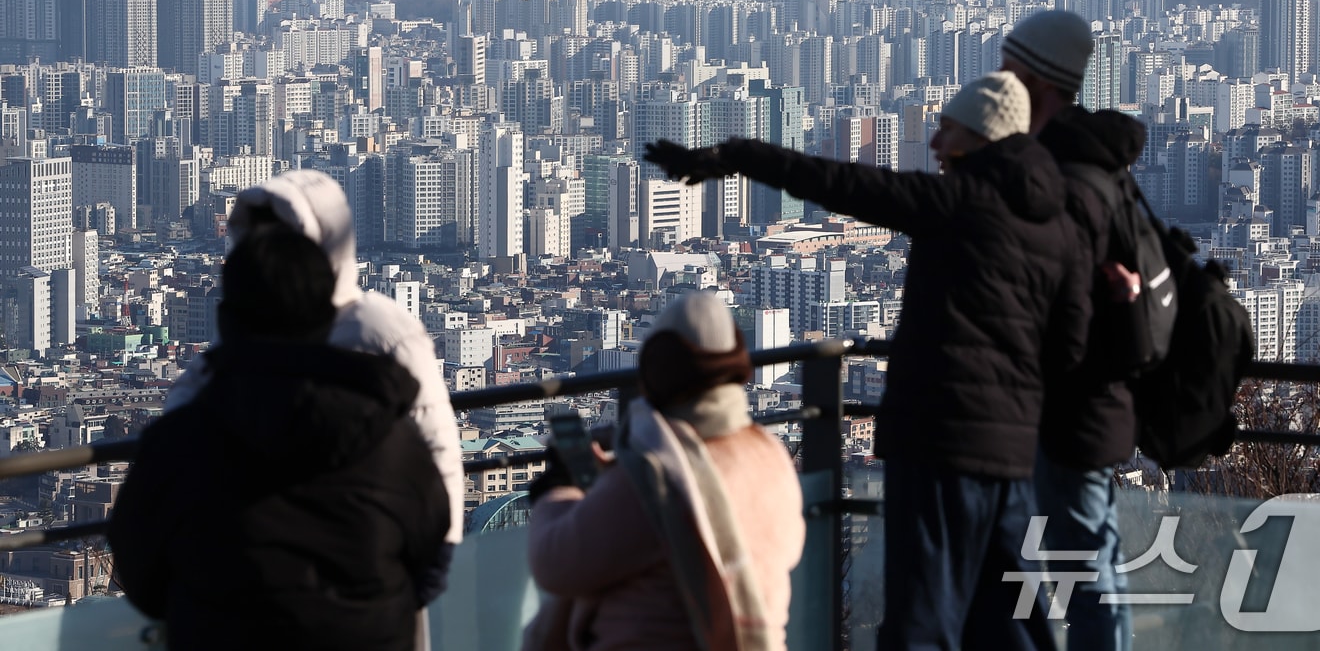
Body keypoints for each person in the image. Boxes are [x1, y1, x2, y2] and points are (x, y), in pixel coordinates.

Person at [645, 72, 1090, 651]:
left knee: (921, 619)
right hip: (1012, 455)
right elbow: (1072, 346)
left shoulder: (955, 203)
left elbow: (842, 183)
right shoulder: (1059, 227)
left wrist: (734, 156)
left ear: (979, 138)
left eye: (947, 131)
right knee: (1012, 623)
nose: (934, 145)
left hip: (937, 440)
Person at [108, 225, 451, 651]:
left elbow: (140, 574)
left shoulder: (177, 444)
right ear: (328, 319)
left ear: (228, 320)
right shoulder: (392, 442)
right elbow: (432, 558)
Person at [164, 169, 465, 553]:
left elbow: (436, 449)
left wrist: (436, 555)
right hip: (278, 561)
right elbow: (182, 421)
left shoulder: (378, 327)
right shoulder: (248, 327)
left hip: (354, 555)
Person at [525, 291, 805, 651]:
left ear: (657, 372)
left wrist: (558, 486)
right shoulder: (770, 455)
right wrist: (616, 473)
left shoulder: (657, 478)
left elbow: (555, 561)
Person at [1000, 9, 1148, 651]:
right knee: (1069, 562)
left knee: (1082, 569)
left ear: (1040, 81)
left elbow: (1062, 296)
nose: (999, 83)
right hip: (1081, 405)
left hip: (1070, 407)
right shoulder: (1096, 161)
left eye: (1010, 71)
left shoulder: (1064, 175)